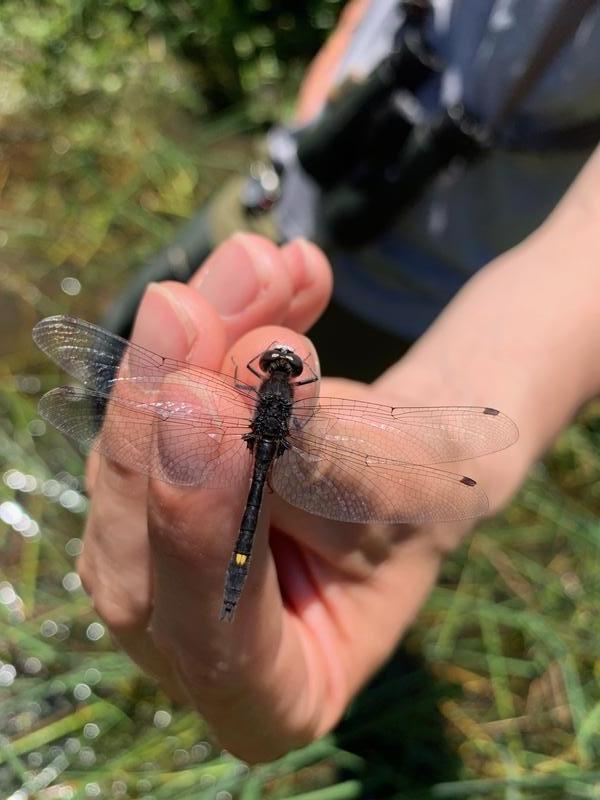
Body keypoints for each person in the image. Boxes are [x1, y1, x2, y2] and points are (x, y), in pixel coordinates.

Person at [77, 1, 600, 763]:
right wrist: (329, 86)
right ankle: (109, 490)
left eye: (278, 370)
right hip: (299, 184)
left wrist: (444, 437)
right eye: (276, 369)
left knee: (186, 426)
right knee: (128, 377)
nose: (278, 368)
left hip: (430, 287)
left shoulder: (266, 391)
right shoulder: (271, 394)